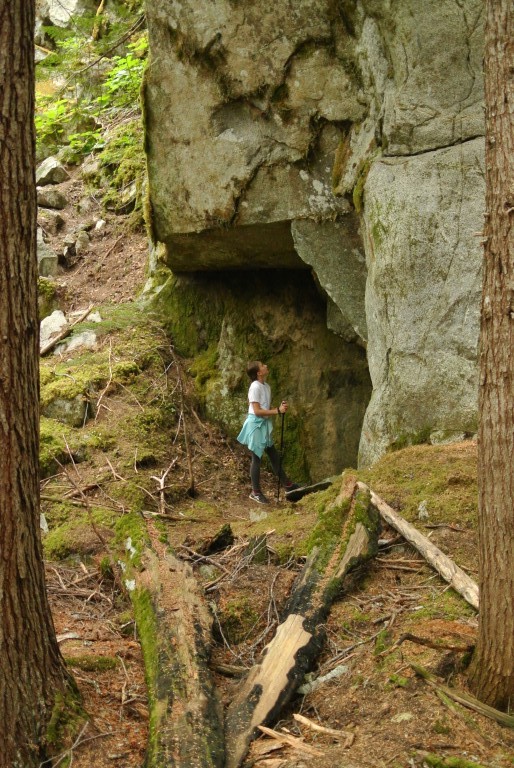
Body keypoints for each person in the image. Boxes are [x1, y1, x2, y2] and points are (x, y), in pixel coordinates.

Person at [237, 360, 299, 504]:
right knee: (257, 457)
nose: (266, 366)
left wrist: (279, 408)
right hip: (255, 424)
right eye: (263, 365)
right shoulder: (254, 387)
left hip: (264, 424)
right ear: (259, 372)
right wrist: (277, 411)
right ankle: (255, 492)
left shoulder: (266, 386)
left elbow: (265, 407)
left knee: (273, 453)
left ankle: (288, 486)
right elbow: (257, 411)